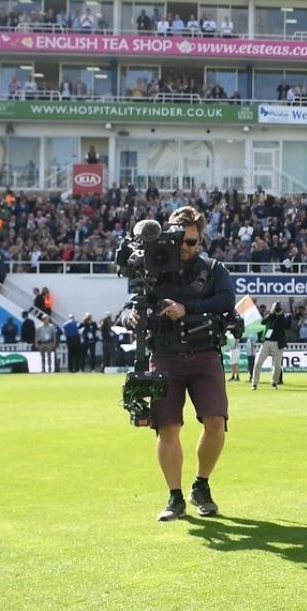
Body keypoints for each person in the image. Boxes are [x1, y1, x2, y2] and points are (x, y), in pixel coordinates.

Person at [122, 206, 234, 522]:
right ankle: (175, 497)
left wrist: (187, 308)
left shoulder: (213, 269)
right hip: (165, 355)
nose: (185, 247)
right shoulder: (151, 267)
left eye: (191, 241)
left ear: (201, 240)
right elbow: (130, 307)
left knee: (216, 423)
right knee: (167, 426)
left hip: (205, 354)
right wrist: (131, 318)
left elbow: (226, 301)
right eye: (179, 240)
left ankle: (201, 485)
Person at [250, 301, 289, 390]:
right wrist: (271, 314)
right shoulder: (270, 316)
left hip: (278, 343)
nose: (277, 310)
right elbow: (263, 322)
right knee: (258, 362)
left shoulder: (284, 317)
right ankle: (254, 383)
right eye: (276, 309)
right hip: (267, 342)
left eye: (278, 309)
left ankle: (274, 382)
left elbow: (287, 325)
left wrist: (281, 315)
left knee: (277, 365)